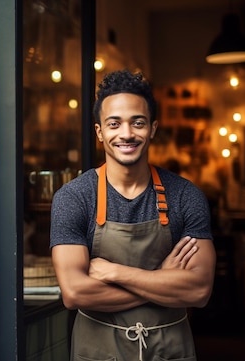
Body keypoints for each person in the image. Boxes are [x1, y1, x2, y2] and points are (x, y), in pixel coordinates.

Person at [50, 69, 216, 361]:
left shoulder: (185, 196)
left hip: (170, 352)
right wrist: (163, 279)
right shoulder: (74, 198)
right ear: (100, 131)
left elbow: (199, 290)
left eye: (137, 123)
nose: (126, 134)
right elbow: (75, 293)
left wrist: (116, 273)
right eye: (114, 124)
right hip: (98, 353)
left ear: (152, 128)